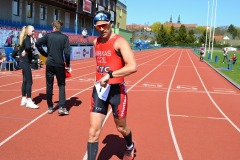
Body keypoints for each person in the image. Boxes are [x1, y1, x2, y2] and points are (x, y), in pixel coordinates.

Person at [87, 10, 137, 160]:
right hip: (100, 90)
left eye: (104, 25)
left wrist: (110, 75)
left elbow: (133, 66)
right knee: (93, 132)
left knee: (121, 127)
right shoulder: (96, 42)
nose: (101, 29)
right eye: (98, 26)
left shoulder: (119, 42)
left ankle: (129, 145)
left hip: (117, 91)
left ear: (110, 24)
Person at [35, 20, 71, 115]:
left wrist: (44, 54)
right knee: (61, 85)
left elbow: (37, 43)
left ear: (54, 28)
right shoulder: (65, 38)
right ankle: (62, 107)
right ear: (60, 28)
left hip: (50, 63)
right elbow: (67, 53)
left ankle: (50, 107)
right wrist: (68, 64)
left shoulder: (48, 36)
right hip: (59, 64)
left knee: (49, 85)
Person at [19, 25, 39, 109]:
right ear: (27, 31)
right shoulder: (27, 39)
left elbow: (24, 48)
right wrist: (27, 50)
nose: (34, 32)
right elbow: (27, 47)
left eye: (34, 31)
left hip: (23, 62)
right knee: (29, 81)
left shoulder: (26, 39)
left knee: (25, 81)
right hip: (25, 62)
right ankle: (29, 101)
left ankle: (23, 98)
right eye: (32, 31)